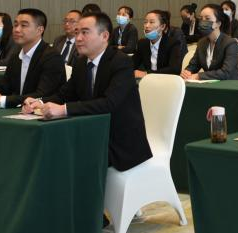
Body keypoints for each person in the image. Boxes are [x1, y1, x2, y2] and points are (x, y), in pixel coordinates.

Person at [24, 12, 152, 174]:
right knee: (49, 148)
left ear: (104, 36)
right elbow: (64, 94)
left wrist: (64, 109)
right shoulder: (81, 63)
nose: (78, 38)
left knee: (66, 156)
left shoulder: (121, 62)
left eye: (85, 32)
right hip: (91, 133)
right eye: (77, 32)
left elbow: (109, 103)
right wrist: (40, 102)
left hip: (119, 141)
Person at [0, 9, 65, 109]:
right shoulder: (16, 57)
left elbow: (42, 95)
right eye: (16, 25)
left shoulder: (52, 57)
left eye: (24, 25)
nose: (17, 30)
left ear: (39, 30)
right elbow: (4, 88)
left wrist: (1, 100)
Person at [183, 4, 238, 80]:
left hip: (230, 85)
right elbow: (193, 65)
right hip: (209, 85)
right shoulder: (201, 43)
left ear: (218, 24)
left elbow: (226, 72)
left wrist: (199, 76)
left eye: (207, 18)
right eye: (201, 18)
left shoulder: (230, 43)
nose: (203, 21)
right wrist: (187, 72)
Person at [132, 9, 184, 77]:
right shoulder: (142, 43)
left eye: (151, 22)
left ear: (162, 26)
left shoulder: (172, 43)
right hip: (148, 81)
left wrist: (147, 73)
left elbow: (174, 69)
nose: (147, 26)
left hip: (166, 80)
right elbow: (132, 64)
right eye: (145, 22)